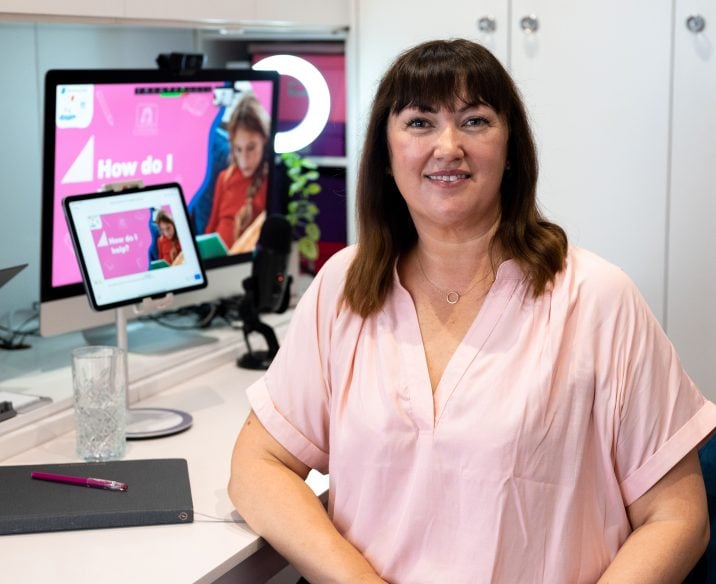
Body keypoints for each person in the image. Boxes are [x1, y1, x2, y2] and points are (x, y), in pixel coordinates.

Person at [228, 39, 716, 583]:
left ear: (511, 151)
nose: (448, 146)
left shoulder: (598, 297)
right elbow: (257, 465)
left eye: (475, 120)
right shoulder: (345, 284)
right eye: (419, 122)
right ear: (386, 156)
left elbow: (678, 518)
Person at [204, 90, 270, 250]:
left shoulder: (269, 181)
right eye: (238, 149)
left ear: (265, 140)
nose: (244, 161)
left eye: (251, 147)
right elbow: (210, 230)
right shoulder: (224, 178)